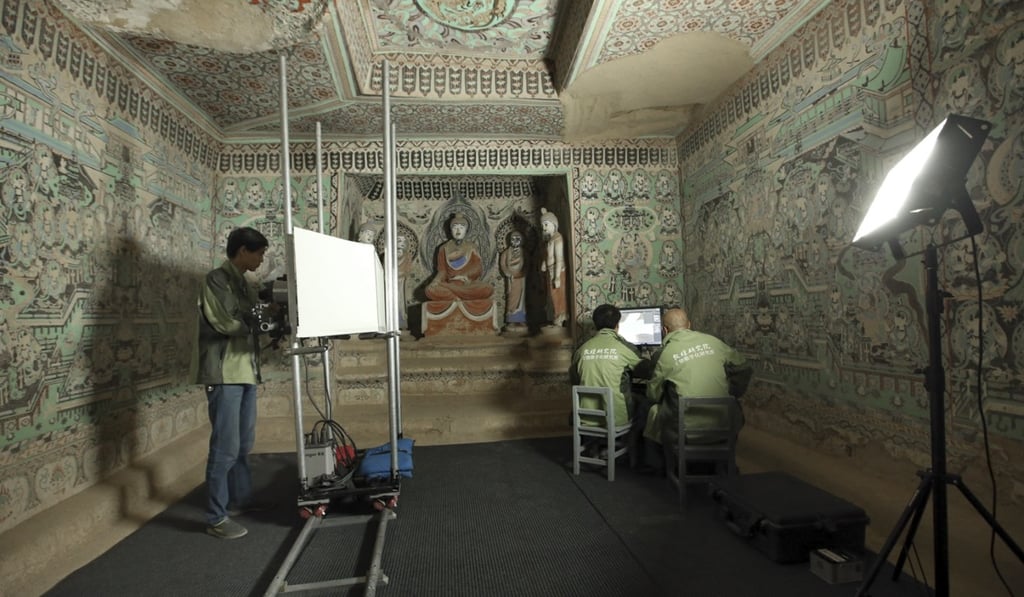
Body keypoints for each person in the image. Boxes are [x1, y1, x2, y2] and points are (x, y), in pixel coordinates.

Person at [191, 226, 269, 539]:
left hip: (245, 371)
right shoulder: (216, 280)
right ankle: (216, 518)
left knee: (243, 444)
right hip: (224, 374)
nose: (261, 259)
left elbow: (250, 315)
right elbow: (226, 322)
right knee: (225, 447)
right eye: (259, 253)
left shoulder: (244, 283)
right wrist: (258, 322)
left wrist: (266, 314)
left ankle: (240, 499)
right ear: (242, 251)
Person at [643, 307, 752, 464]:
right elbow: (744, 368)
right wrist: (732, 392)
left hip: (684, 429)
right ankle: (724, 464)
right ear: (689, 324)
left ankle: (660, 466)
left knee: (651, 410)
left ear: (665, 330)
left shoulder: (663, 354)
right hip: (723, 422)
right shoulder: (713, 342)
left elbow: (653, 395)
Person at [570, 304, 651, 445]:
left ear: (595, 325)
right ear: (617, 325)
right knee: (645, 404)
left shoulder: (581, 350)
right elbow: (647, 372)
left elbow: (574, 380)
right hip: (615, 419)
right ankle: (631, 448)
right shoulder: (625, 348)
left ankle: (595, 446)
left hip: (585, 417)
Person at [424, 211, 493, 301]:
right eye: (455, 227)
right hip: (450, 282)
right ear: (450, 230)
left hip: (467, 284)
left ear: (466, 230)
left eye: (461, 228)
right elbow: (442, 271)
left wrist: (465, 275)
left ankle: (454, 296)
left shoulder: (472, 247)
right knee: (430, 290)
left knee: (487, 289)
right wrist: (435, 281)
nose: (458, 231)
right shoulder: (443, 248)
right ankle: (458, 296)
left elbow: (478, 268)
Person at [540, 208, 566, 326]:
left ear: (554, 224)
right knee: (550, 295)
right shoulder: (550, 239)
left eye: (546, 224)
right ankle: (554, 316)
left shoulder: (558, 239)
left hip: (557, 271)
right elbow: (548, 255)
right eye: (543, 225)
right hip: (550, 270)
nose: (544, 227)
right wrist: (544, 263)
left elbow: (559, 259)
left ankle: (559, 317)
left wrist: (557, 277)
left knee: (557, 295)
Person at [499, 230, 527, 328]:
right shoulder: (506, 253)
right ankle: (511, 319)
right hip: (511, 279)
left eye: (517, 239)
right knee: (511, 299)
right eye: (513, 239)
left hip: (521, 279)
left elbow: (528, 265)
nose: (515, 241)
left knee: (522, 300)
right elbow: (503, 265)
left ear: (521, 240)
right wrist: (507, 273)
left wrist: (523, 273)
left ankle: (521, 319)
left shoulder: (524, 253)